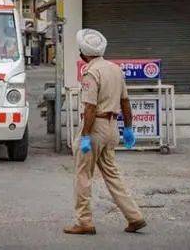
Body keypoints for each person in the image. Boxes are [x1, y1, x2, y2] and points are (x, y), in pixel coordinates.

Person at [64, 29, 146, 235]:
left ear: (83, 52)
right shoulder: (115, 69)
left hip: (95, 127)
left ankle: (84, 221)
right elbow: (125, 102)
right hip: (112, 127)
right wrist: (128, 128)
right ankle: (135, 217)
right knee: (112, 174)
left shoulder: (91, 72)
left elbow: (89, 108)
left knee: (83, 174)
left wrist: (84, 135)